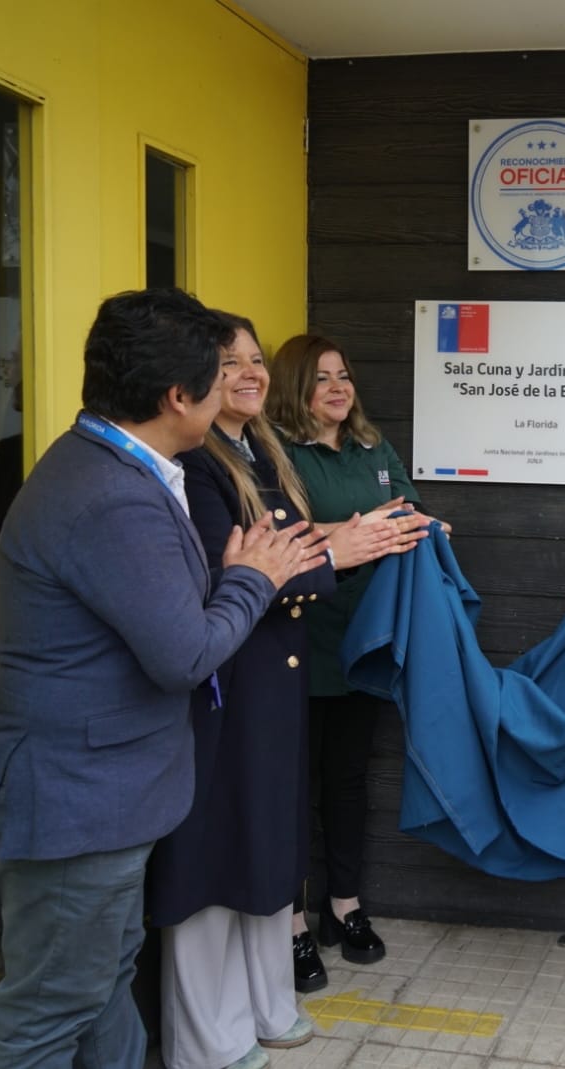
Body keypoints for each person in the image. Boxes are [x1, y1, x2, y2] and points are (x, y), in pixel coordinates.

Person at [0, 288, 329, 1069]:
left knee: (102, 989)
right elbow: (185, 653)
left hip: (101, 801)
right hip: (72, 805)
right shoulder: (109, 495)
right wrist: (251, 577)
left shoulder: (121, 464)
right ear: (176, 397)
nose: (234, 389)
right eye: (218, 378)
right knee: (48, 1019)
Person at [147, 316, 424, 1069]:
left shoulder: (256, 447)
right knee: (214, 851)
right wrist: (333, 550)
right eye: (227, 362)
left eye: (254, 359)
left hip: (271, 671)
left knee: (266, 840)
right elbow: (231, 571)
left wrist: (342, 539)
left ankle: (268, 1003)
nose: (247, 372)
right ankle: (209, 1037)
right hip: (223, 680)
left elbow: (284, 548)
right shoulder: (194, 465)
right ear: (190, 381)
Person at [266, 333, 436, 992]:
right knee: (292, 787)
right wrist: (359, 535)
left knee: (348, 779)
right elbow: (289, 541)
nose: (339, 388)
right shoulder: (278, 455)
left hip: (362, 643)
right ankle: (290, 924)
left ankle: (344, 907)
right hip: (296, 644)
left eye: (344, 375)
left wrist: (426, 526)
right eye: (322, 378)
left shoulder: (374, 447)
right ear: (294, 387)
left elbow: (408, 511)